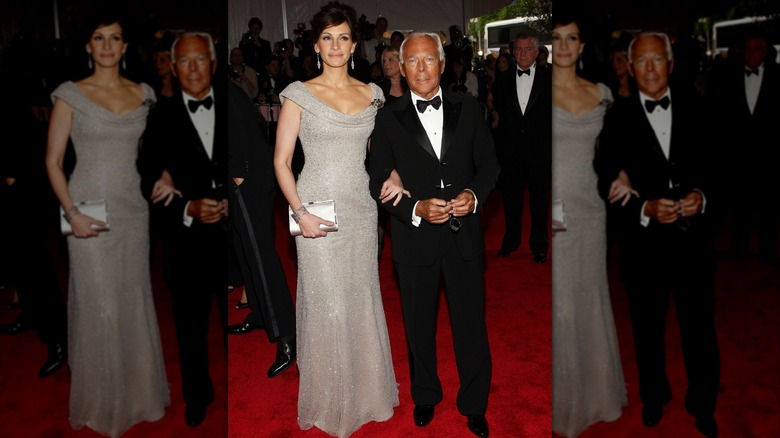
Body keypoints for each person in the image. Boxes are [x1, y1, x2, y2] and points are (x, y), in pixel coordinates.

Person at [272, 2, 398, 436]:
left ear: (354, 43)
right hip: (314, 210)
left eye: (343, 37)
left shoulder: (373, 94)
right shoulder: (297, 93)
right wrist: (299, 212)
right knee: (326, 302)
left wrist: (394, 175)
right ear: (315, 44)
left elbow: (379, 157)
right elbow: (281, 161)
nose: (336, 45)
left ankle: (366, 394)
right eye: (327, 37)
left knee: (360, 298)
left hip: (361, 210)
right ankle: (329, 401)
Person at [44, 10, 169, 437]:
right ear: (88, 45)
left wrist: (166, 174)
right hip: (86, 209)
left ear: (125, 46)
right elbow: (52, 162)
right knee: (99, 302)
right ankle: (103, 402)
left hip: (133, 210)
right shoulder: (70, 94)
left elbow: (151, 152)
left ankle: (138, 396)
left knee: (132, 298)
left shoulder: (144, 93)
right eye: (99, 38)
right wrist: (71, 213)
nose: (107, 46)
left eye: (114, 38)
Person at [368, 31, 500, 437]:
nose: (421, 68)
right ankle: (425, 394)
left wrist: (473, 196)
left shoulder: (470, 108)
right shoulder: (387, 118)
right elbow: (376, 179)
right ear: (401, 67)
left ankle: (474, 403)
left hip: (464, 235)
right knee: (418, 324)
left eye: (429, 59)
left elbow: (490, 165)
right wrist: (415, 209)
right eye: (412, 60)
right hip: (415, 240)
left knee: (470, 325)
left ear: (442, 64)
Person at [596, 32, 720, 438]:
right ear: (631, 69)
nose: (650, 68)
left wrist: (702, 196)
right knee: (647, 331)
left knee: (700, 330)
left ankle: (703, 403)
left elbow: (721, 169)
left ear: (671, 63)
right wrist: (643, 208)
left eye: (657, 60)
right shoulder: (617, 119)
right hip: (644, 247)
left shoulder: (700, 108)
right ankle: (654, 396)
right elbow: (605, 181)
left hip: (693, 243)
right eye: (641, 61)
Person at [139, 31, 228, 428]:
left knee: (232, 323)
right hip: (185, 241)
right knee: (190, 326)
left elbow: (254, 165)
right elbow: (147, 181)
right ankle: (197, 395)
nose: (193, 69)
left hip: (230, 239)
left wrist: (232, 199)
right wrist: (188, 207)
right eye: (185, 62)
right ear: (173, 69)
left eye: (200, 59)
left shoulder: (233, 105)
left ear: (213, 63)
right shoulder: (159, 118)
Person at [550, 13, 627, 437]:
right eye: (557, 38)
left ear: (581, 46)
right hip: (555, 207)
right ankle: (565, 404)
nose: (564, 45)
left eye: (572, 38)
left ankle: (596, 394)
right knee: (561, 301)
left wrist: (624, 173)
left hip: (591, 210)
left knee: (589, 294)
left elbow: (614, 149)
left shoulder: (602, 95)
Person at [226, 79, 297, 378]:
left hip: (247, 178)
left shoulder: (226, 92)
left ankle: (287, 335)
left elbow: (236, 132)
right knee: (243, 249)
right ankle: (259, 314)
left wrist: (238, 176)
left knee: (259, 255)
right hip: (240, 177)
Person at [714, 31, 779, 263]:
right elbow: (720, 115)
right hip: (738, 154)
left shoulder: (778, 75)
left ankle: (767, 250)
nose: (752, 53)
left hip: (770, 154)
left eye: (757, 48)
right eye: (748, 48)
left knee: (769, 206)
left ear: (766, 51)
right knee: (740, 204)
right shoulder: (728, 75)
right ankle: (738, 245)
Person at [491, 30, 552, 262]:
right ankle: (511, 240)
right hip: (511, 152)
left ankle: (539, 245)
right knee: (511, 200)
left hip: (540, 151)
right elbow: (502, 116)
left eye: (528, 49)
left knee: (540, 201)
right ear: (513, 52)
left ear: (537, 52)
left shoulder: (551, 77)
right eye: (519, 49)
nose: (523, 53)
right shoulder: (503, 80)